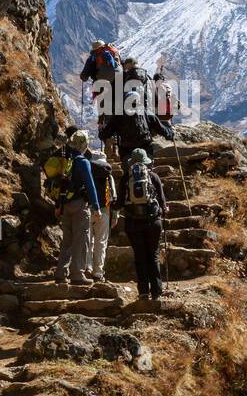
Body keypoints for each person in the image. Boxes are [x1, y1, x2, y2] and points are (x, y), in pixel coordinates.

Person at [49, 129, 103, 285]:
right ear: (84, 144)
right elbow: (90, 185)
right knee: (80, 240)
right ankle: (77, 274)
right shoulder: (82, 161)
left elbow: (61, 184)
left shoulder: (65, 160)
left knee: (67, 240)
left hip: (65, 205)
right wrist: (96, 207)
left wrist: (58, 205)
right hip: (79, 205)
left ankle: (60, 272)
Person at [115, 149, 169, 301]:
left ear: (131, 162)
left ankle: (143, 292)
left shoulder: (126, 178)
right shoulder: (153, 176)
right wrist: (163, 210)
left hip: (133, 222)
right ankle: (157, 291)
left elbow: (119, 203)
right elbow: (163, 203)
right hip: (153, 221)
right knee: (153, 255)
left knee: (140, 256)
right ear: (146, 161)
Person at [105, 90, 174, 173]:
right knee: (149, 173)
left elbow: (105, 134)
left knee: (127, 176)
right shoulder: (147, 114)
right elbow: (162, 129)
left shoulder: (117, 117)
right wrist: (170, 133)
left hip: (127, 152)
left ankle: (125, 183)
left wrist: (102, 131)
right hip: (146, 150)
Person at [86, 147, 117, 282]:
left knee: (87, 241)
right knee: (101, 242)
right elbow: (113, 196)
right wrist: (115, 215)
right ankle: (98, 272)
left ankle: (87, 267)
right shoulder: (108, 175)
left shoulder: (87, 172)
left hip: (87, 209)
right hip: (104, 211)